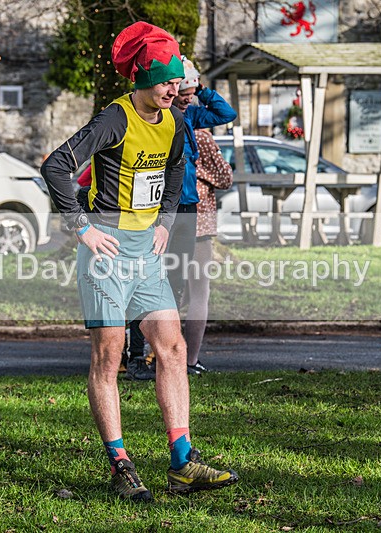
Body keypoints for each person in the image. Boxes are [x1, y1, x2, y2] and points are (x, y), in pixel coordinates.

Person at [40, 21, 238, 500]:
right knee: (109, 358)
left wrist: (166, 222)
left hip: (145, 254)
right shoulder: (114, 118)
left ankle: (182, 460)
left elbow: (173, 171)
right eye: (167, 81)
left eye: (178, 81)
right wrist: (81, 228)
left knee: (171, 348)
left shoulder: (172, 120)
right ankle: (120, 464)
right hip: (106, 253)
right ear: (143, 80)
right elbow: (56, 165)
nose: (176, 89)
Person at [126, 55, 237, 380]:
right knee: (143, 283)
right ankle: (135, 355)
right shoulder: (153, 118)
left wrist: (201, 89)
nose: (179, 92)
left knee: (174, 287)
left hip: (185, 211)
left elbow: (226, 113)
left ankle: (165, 353)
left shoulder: (190, 118)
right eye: (173, 86)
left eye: (182, 87)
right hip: (153, 212)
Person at [183, 128, 233, 372]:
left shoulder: (159, 124)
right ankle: (189, 359)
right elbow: (225, 178)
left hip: (165, 222)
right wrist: (202, 169)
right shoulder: (200, 136)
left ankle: (147, 354)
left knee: (166, 292)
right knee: (199, 293)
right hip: (198, 224)